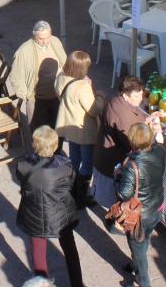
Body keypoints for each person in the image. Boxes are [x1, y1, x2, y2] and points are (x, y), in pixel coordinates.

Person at [16, 126, 87, 287]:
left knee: (39, 254)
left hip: (34, 213)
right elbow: (71, 184)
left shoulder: (23, 165)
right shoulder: (65, 166)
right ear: (55, 145)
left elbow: (21, 180)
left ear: (35, 144)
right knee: (70, 249)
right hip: (60, 215)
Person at [116, 122, 166, 287]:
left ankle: (142, 281)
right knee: (144, 238)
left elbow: (124, 194)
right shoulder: (159, 151)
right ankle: (134, 264)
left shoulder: (132, 165)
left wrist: (117, 177)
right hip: (156, 206)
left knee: (137, 243)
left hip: (139, 215)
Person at [93, 77, 157, 209]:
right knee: (116, 205)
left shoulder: (117, 100)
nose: (141, 98)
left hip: (104, 157)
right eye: (137, 95)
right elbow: (135, 144)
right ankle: (116, 225)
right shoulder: (124, 118)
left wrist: (146, 118)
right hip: (114, 163)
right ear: (125, 95)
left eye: (142, 94)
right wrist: (152, 132)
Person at [54, 51, 101, 207]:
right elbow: (93, 110)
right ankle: (81, 196)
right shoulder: (83, 86)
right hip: (83, 130)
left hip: (69, 129)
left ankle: (71, 190)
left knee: (74, 160)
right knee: (87, 163)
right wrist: (99, 96)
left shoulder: (61, 77)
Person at [9, 21, 68, 145]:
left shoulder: (55, 41)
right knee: (38, 134)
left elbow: (65, 63)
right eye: (41, 38)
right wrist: (27, 96)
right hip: (37, 100)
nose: (45, 41)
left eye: (47, 37)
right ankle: (39, 157)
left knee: (57, 129)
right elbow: (16, 77)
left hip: (56, 97)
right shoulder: (24, 51)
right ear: (34, 35)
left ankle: (56, 155)